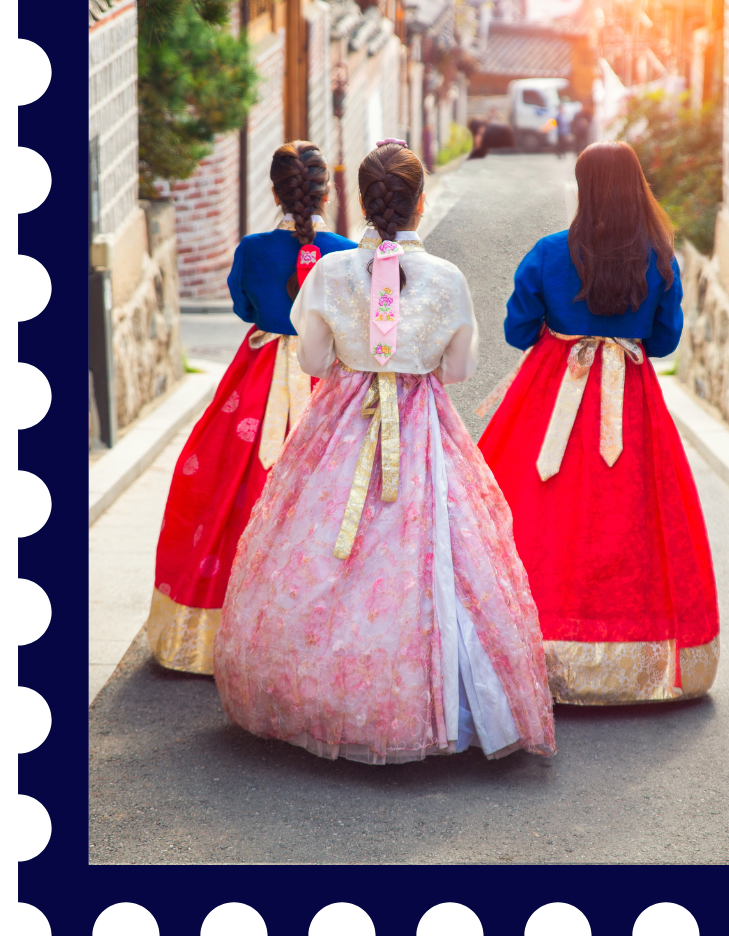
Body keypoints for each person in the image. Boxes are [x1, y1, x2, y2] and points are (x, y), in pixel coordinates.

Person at [214, 140, 556, 765]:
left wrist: (361, 354)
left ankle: (318, 692)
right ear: (421, 203)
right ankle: (439, 699)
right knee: (438, 554)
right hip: (421, 426)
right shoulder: (446, 278)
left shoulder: (329, 273)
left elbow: (313, 360)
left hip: (339, 424)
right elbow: (459, 369)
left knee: (319, 549)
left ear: (363, 205)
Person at [476, 142, 719, 707]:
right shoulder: (661, 259)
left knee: (542, 513)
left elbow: (517, 331)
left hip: (552, 395)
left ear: (584, 189)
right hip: (629, 400)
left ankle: (532, 649)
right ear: (637, 187)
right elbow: (662, 341)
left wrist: (562, 324)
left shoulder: (548, 253)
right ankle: (636, 655)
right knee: (633, 517)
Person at [147, 142, 356, 675]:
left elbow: (243, 307)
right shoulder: (346, 252)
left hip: (258, 380)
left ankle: (211, 625)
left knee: (234, 486)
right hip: (324, 377)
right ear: (326, 192)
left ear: (273, 192)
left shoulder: (253, 248)